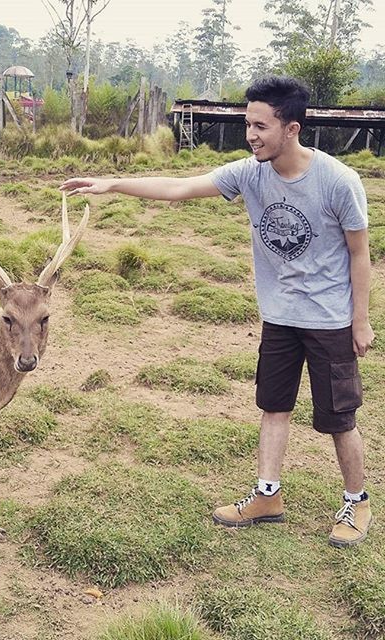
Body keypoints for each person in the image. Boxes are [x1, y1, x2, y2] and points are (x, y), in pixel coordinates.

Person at [60, 75, 374, 548]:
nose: (251, 135)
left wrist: (361, 318)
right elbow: (181, 188)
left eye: (261, 126)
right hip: (279, 316)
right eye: (248, 124)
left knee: (338, 417)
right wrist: (112, 184)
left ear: (291, 128)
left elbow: (359, 253)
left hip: (329, 319)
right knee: (273, 406)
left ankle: (358, 500)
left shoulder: (338, 181)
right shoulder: (249, 172)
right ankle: (268, 495)